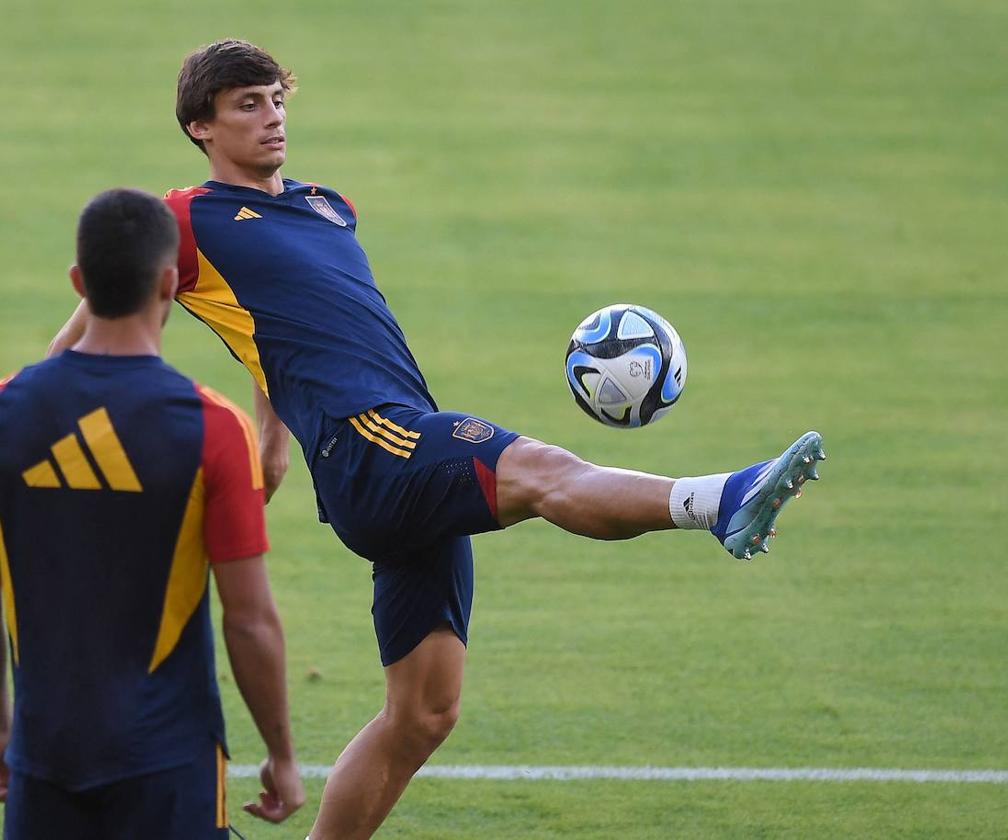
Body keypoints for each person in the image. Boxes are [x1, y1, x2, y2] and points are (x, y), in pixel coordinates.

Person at [48, 41, 827, 840]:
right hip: (368, 442)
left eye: (277, 98)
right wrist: (38, 412)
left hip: (399, 444)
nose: (272, 116)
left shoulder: (327, 205)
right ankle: (719, 502)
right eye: (248, 104)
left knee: (423, 713)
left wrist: (270, 439)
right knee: (539, 470)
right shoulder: (183, 218)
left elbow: (272, 323)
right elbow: (88, 336)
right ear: (199, 127)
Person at [0, 187, 305, 839]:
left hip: (43, 757)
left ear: (78, 282)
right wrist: (281, 753)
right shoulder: (214, 428)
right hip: (170, 764)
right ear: (170, 283)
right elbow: (250, 619)